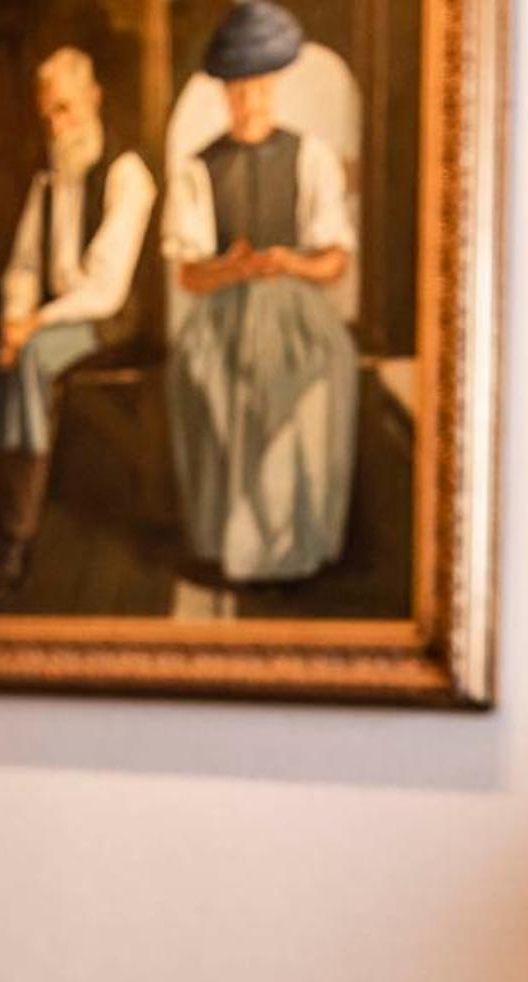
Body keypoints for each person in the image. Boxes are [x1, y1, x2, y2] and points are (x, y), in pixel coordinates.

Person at [161, 0, 359, 586]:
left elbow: (334, 262)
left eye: (260, 88)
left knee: (320, 369)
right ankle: (233, 547)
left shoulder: (309, 156)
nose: (250, 102)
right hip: (223, 314)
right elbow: (189, 275)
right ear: (225, 94)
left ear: (275, 87)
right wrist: (230, 269)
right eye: (239, 91)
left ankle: (295, 548)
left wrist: (289, 262)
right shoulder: (200, 168)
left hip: (294, 309)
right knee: (208, 376)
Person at [0, 46, 158, 601]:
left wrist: (33, 327)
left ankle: (19, 536)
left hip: (109, 319)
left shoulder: (127, 174)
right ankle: (4, 499)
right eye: (48, 114)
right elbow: (25, 264)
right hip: (53, 316)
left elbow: (105, 288)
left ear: (94, 99)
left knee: (32, 361)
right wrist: (14, 318)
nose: (57, 125)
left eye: (66, 109)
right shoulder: (49, 179)